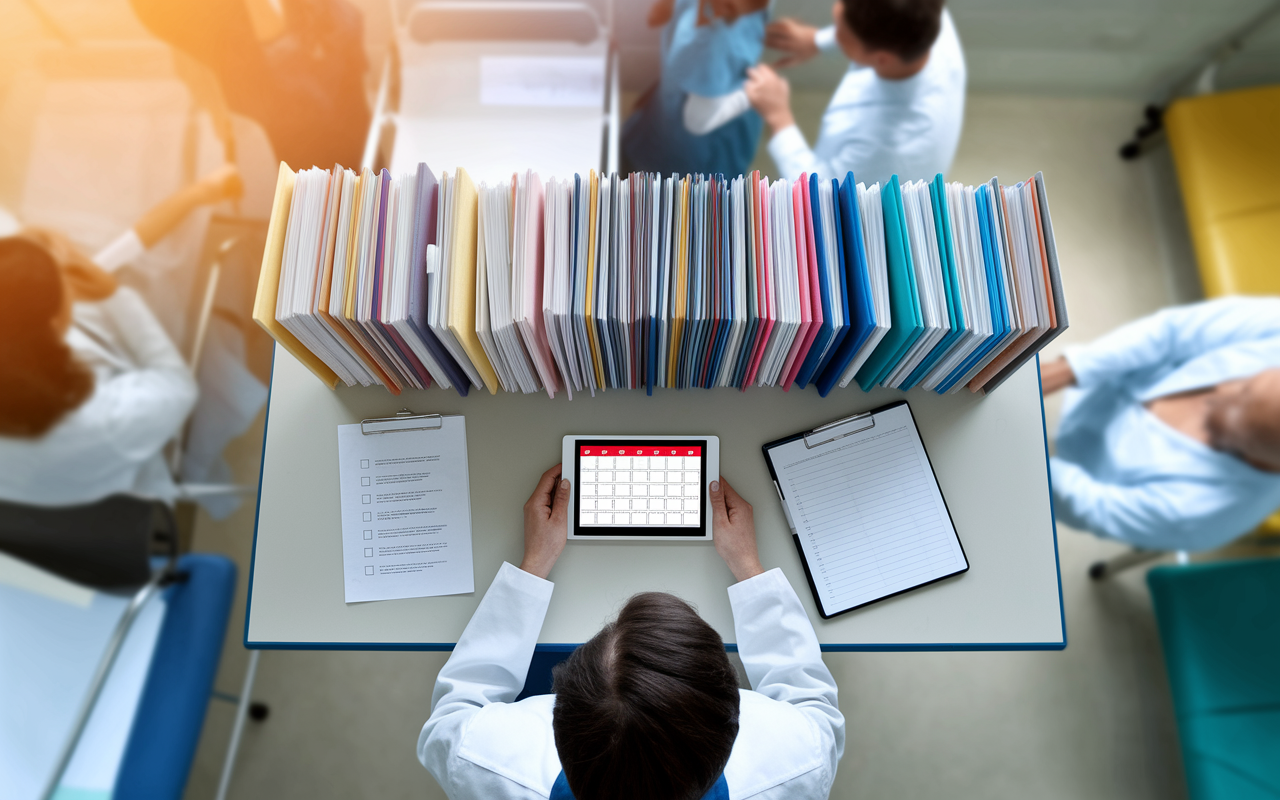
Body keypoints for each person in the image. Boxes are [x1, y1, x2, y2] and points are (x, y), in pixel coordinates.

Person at [418, 467, 844, 800]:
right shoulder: (798, 764)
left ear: (556, 722)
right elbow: (811, 703)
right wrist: (749, 567)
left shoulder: (487, 764)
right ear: (733, 724)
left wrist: (533, 564)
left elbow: (455, 711)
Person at [0, 165, 244, 507]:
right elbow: (176, 386)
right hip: (123, 502)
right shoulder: (100, 419)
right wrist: (115, 295)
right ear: (56, 321)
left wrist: (199, 194)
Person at [1041, 297, 1280, 552]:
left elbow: (1092, 506)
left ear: (1263, 461)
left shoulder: (1201, 516)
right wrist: (1069, 370)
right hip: (1093, 381)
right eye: (1244, 388)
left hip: (1072, 466)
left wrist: (1025, 462)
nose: (1219, 393)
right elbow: (1171, 332)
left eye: (1230, 428)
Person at [744, 0, 965, 185]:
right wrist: (817, 41)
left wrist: (779, 118)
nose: (835, 28)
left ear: (881, 58)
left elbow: (821, 194)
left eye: (840, 31)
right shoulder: (925, 18)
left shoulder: (886, 150)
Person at [621, 0, 771, 177]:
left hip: (665, 130)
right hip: (694, 164)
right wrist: (751, 94)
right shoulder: (714, 42)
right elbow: (697, 122)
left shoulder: (712, 20)